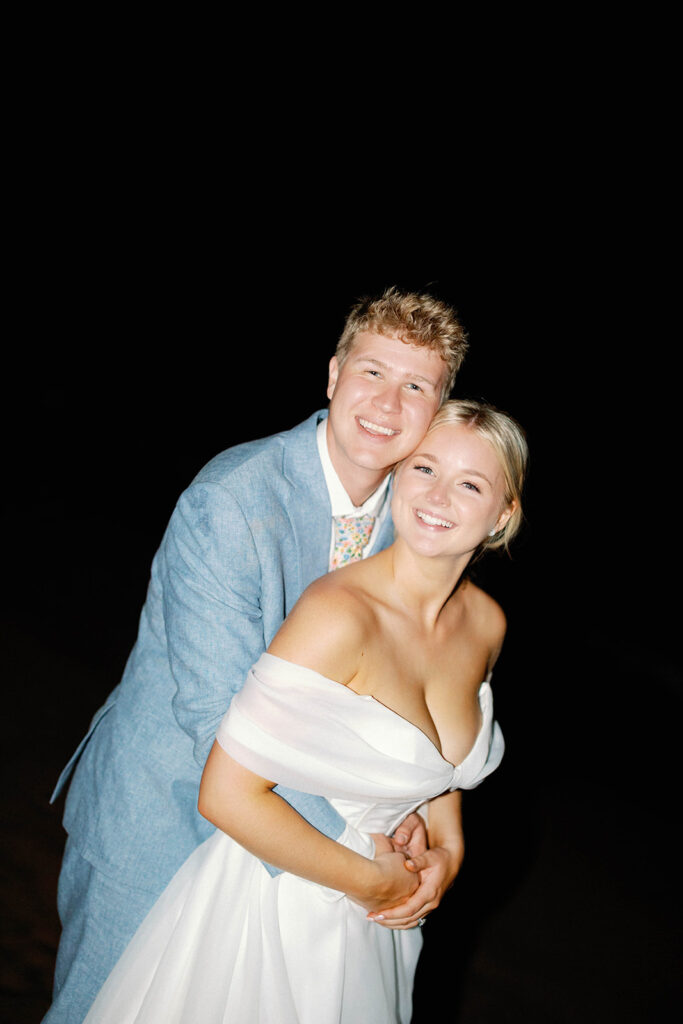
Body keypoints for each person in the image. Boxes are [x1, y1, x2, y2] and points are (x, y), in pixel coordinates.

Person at [44, 287, 470, 1023]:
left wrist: (434, 830)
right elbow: (219, 717)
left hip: (302, 862)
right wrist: (363, 854)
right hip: (165, 820)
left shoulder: (418, 522)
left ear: (437, 411)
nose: (386, 404)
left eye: (415, 387)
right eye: (371, 373)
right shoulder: (232, 501)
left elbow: (415, 689)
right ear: (333, 375)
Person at [82, 398, 528, 1023]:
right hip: (268, 911)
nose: (438, 496)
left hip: (382, 931)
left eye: (471, 483)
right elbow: (226, 794)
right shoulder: (336, 615)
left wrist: (446, 857)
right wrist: (375, 882)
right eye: (424, 468)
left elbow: (442, 762)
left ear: (502, 514)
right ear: (400, 474)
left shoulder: (486, 624)